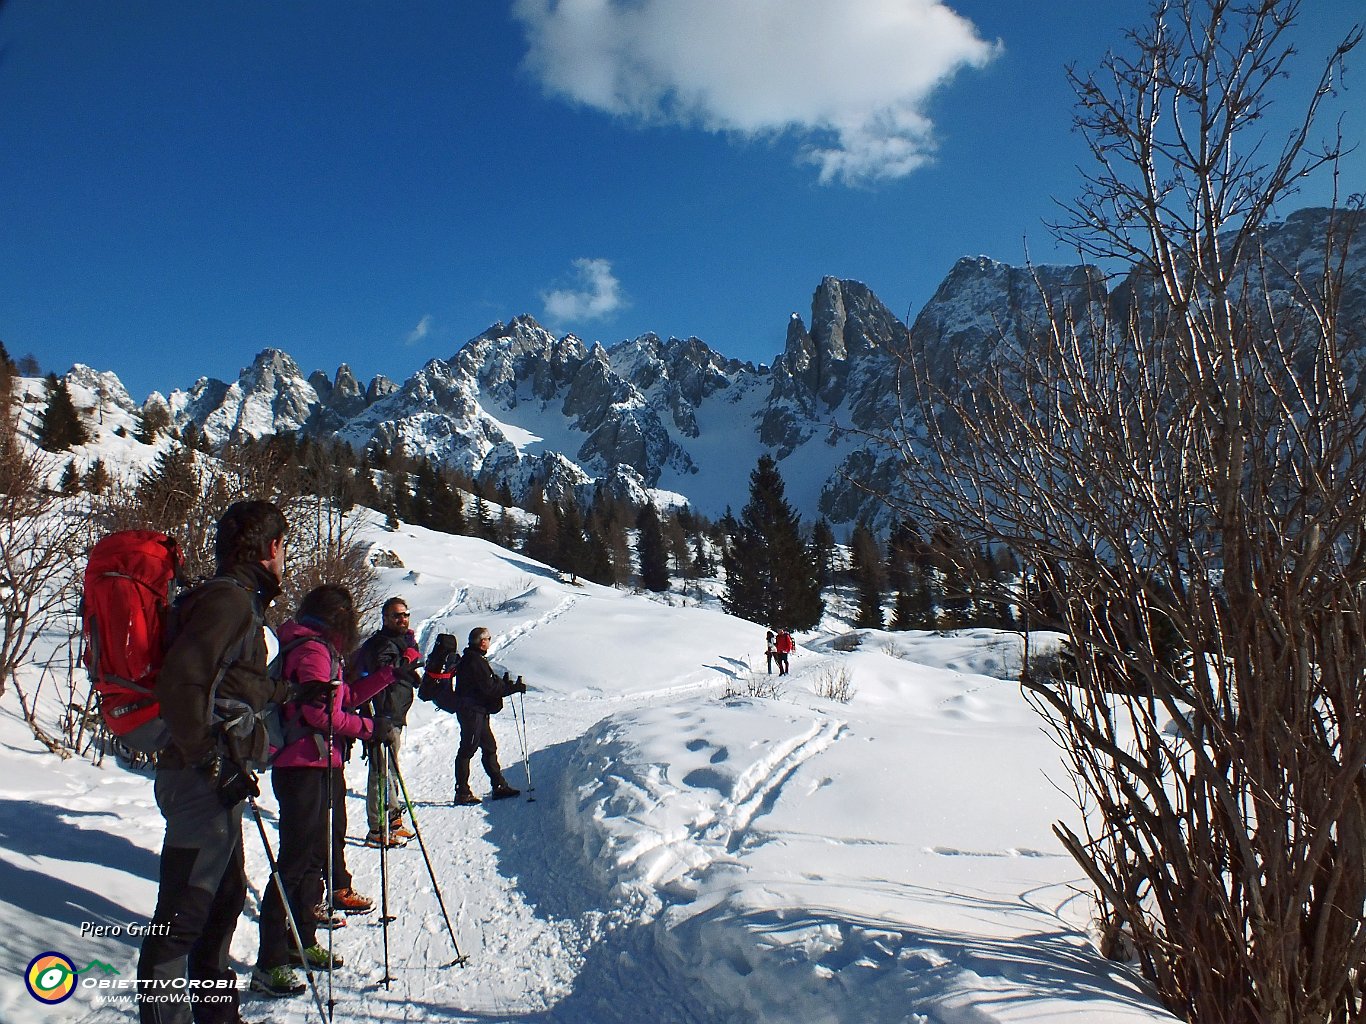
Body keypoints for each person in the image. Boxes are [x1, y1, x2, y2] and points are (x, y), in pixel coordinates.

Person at [137, 500, 288, 1024]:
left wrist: (282, 688)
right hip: (200, 779)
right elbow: (182, 683)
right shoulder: (229, 603)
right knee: (181, 920)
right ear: (271, 549)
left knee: (220, 908)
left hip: (213, 780)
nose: (284, 556)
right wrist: (210, 761)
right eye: (283, 546)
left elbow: (229, 683)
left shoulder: (233, 601)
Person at [252, 584, 410, 997]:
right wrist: (371, 728)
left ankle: (301, 942)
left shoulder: (321, 649)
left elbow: (344, 699)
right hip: (303, 765)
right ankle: (269, 961)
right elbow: (320, 714)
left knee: (316, 856)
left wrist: (388, 676)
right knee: (294, 861)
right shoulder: (312, 651)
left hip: (320, 765)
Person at [424, 626, 526, 805]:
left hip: (477, 711)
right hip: (471, 712)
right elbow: (489, 688)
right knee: (467, 749)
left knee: (489, 747)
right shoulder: (474, 661)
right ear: (482, 641)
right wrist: (511, 688)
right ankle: (462, 792)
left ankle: (499, 785)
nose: (489, 642)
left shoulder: (473, 659)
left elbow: (486, 684)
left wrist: (505, 686)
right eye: (488, 638)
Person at [351, 596, 422, 847]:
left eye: (405, 614)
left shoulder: (395, 642)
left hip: (393, 715)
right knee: (380, 772)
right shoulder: (381, 644)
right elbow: (387, 673)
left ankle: (392, 820)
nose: (402, 619)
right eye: (396, 615)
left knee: (390, 770)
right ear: (385, 618)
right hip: (381, 716)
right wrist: (408, 658)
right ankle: (377, 829)